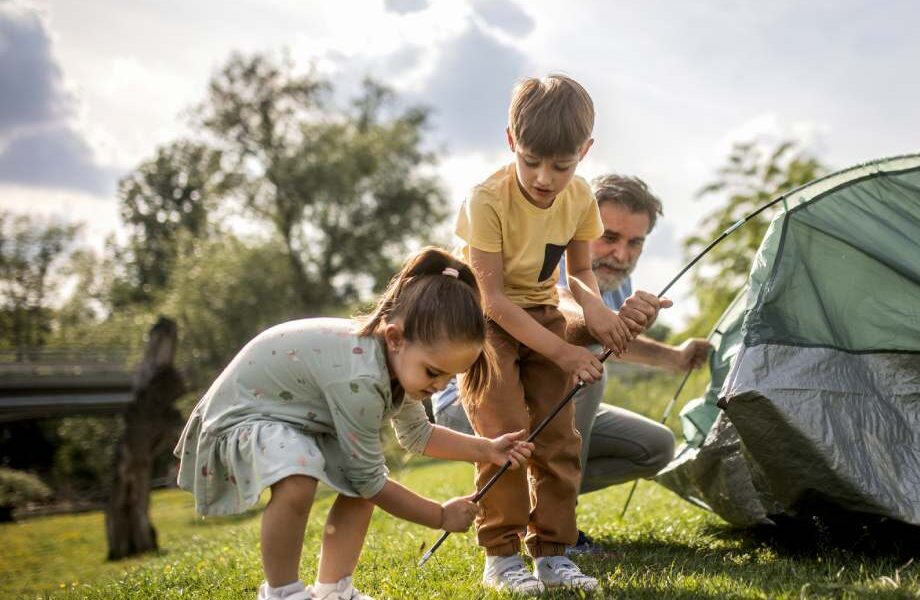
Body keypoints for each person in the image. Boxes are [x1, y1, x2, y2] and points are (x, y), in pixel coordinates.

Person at [173, 248, 534, 600]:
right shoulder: (358, 378)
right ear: (395, 337)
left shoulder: (401, 361)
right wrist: (439, 515)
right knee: (302, 481)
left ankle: (333, 590)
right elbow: (372, 481)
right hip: (245, 415)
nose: (438, 387)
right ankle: (282, 592)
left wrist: (486, 448)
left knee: (358, 490)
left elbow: (417, 434)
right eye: (434, 373)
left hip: (296, 419)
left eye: (448, 378)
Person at [434, 174, 711, 554]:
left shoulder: (615, 281)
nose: (621, 254)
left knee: (657, 447)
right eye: (610, 237)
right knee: (586, 373)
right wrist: (602, 323)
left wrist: (675, 357)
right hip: (469, 398)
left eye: (635, 243)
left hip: (545, 395)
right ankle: (554, 526)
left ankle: (519, 496)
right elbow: (567, 318)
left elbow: (605, 335)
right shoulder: (553, 256)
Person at [455, 74, 656, 595]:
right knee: (505, 436)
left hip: (541, 311)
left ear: (584, 152)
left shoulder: (580, 197)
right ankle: (501, 557)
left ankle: (552, 554)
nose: (545, 177)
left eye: (561, 166)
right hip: (486, 324)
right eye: (531, 161)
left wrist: (600, 315)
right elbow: (494, 299)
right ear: (510, 143)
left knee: (561, 440)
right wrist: (566, 351)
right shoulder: (486, 200)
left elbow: (580, 276)